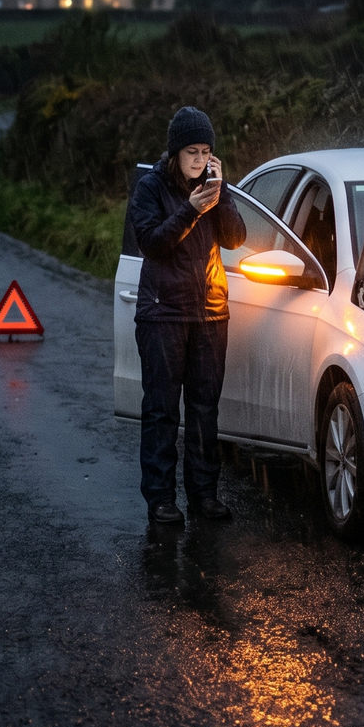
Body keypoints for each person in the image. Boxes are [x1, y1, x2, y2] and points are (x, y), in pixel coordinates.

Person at [129, 106, 247, 525]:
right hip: (163, 314)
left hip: (211, 315)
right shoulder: (150, 188)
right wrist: (191, 209)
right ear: (175, 153)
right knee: (161, 410)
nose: (199, 160)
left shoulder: (213, 187)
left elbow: (235, 237)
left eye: (206, 152)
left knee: (204, 409)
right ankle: (161, 499)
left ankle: (203, 495)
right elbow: (153, 244)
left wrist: (222, 190)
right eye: (192, 152)